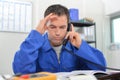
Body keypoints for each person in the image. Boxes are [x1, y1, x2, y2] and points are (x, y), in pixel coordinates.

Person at [13, 4, 106, 74]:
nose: (57, 33)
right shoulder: (35, 46)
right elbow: (20, 72)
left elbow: (100, 70)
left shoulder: (75, 46)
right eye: (52, 27)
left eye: (62, 27)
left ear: (69, 27)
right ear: (45, 26)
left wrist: (81, 46)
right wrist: (36, 34)